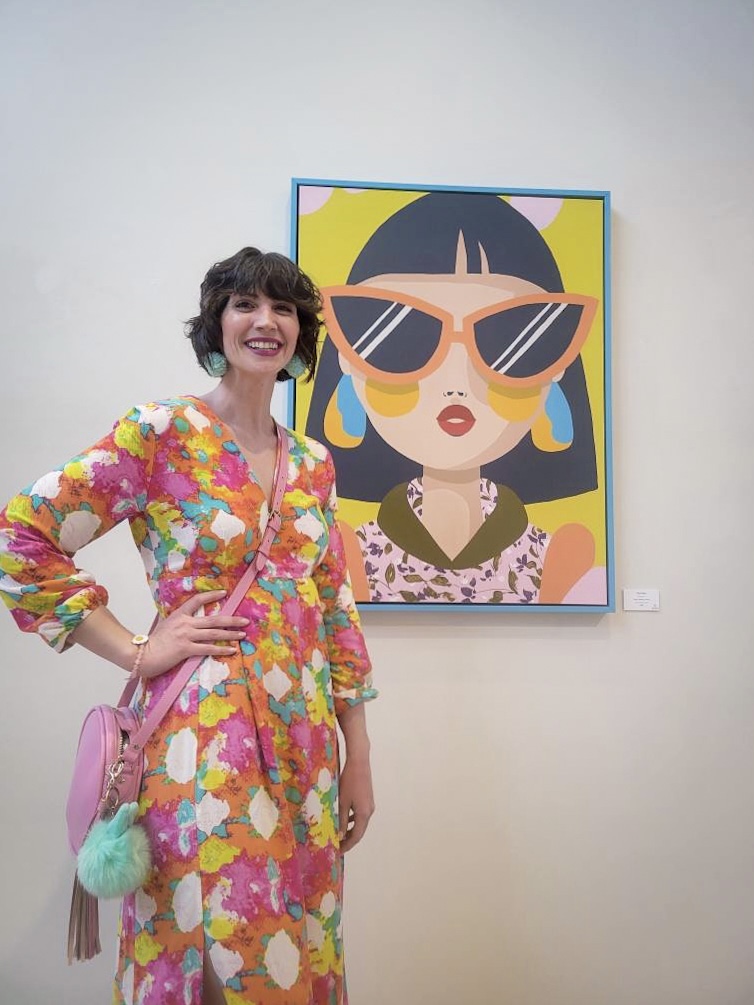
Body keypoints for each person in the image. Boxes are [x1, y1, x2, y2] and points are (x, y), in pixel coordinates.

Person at [0, 248, 377, 1004]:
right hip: (202, 738)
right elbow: (23, 539)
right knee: (212, 937)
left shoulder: (313, 464)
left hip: (304, 742)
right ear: (217, 323)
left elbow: (334, 608)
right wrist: (138, 650)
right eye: (245, 304)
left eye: (283, 308)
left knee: (296, 939)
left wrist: (357, 750)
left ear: (300, 336)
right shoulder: (162, 432)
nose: (265, 321)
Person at [305, 192, 607, 605]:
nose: (456, 382)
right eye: (399, 340)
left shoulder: (561, 560)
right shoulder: (348, 554)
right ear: (349, 363)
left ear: (555, 370)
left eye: (512, 342)